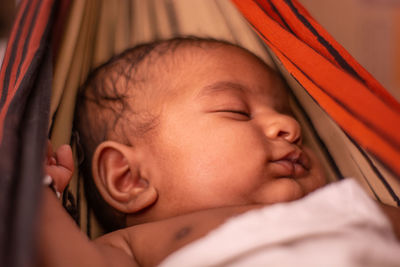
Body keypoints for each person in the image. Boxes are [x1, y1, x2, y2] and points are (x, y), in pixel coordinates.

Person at [38, 37, 400, 267]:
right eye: (237, 111)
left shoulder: (342, 204)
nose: (289, 128)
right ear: (129, 177)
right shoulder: (134, 247)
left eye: (288, 115)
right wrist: (35, 195)